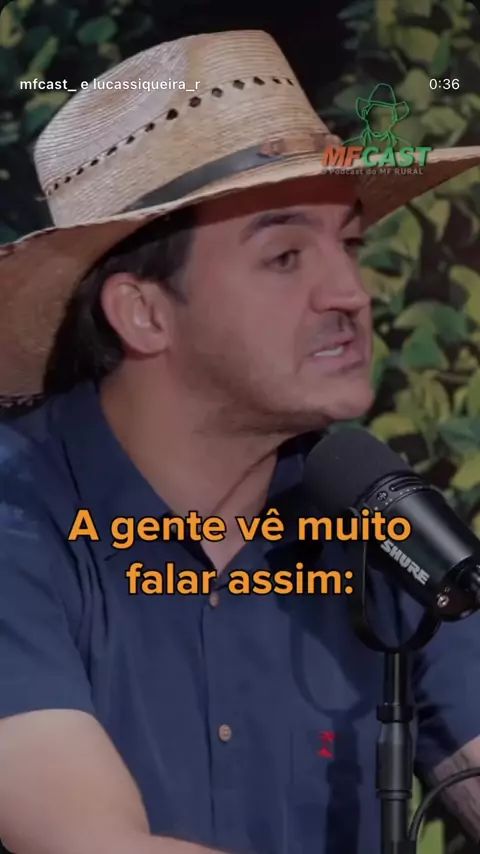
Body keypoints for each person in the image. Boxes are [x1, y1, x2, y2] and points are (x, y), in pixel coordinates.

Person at [0, 29, 480, 854]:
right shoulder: (18, 517)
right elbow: (87, 841)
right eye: (286, 256)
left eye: (349, 246)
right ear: (143, 314)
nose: (350, 293)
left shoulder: (371, 516)